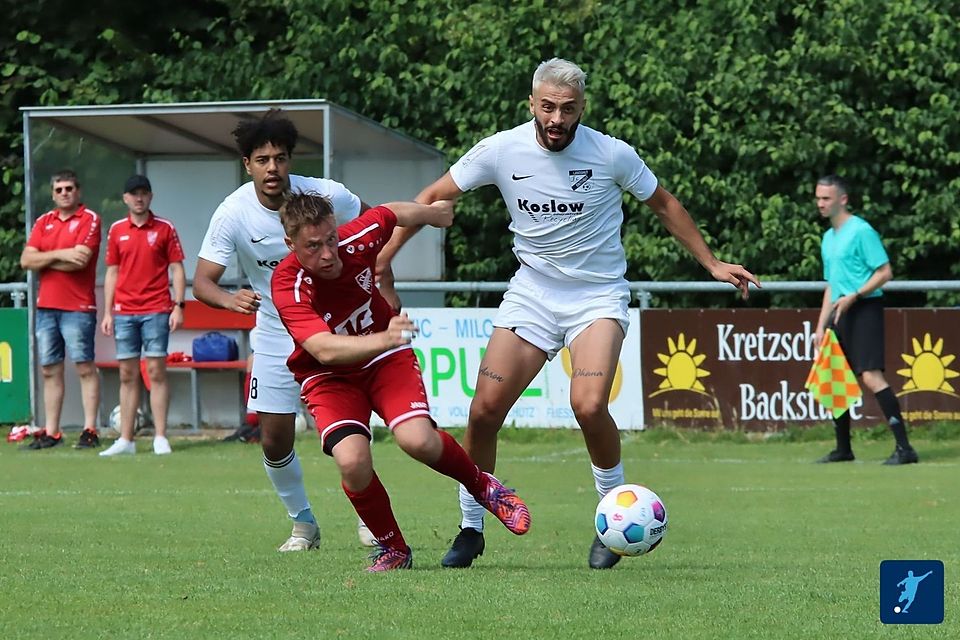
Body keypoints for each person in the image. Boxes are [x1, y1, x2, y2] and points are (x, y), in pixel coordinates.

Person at [379, 58, 758, 569]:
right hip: (532, 295)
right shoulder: (499, 150)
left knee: (587, 403)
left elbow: (664, 203)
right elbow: (430, 197)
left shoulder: (610, 153)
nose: (557, 119)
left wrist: (711, 262)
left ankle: (612, 517)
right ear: (532, 104)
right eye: (548, 107)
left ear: (583, 108)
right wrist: (383, 260)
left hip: (597, 296)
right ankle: (471, 527)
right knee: (483, 412)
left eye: (568, 109)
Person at [272, 192, 531, 572]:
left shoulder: (353, 239)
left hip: (385, 361)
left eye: (330, 239)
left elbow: (389, 213)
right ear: (290, 244)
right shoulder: (288, 284)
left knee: (418, 440)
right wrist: (385, 336)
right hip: (329, 376)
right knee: (352, 460)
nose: (328, 253)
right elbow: (324, 349)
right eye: (313, 246)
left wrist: (432, 213)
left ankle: (486, 488)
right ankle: (394, 549)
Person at [194, 109, 378, 550]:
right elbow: (202, 281)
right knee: (274, 438)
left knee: (346, 432)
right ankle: (304, 524)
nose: (272, 167)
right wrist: (228, 298)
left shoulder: (324, 196)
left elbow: (375, 224)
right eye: (262, 159)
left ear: (290, 160)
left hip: (334, 331)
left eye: (279, 157)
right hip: (277, 332)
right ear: (248, 164)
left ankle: (370, 518)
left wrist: (374, 277)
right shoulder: (233, 213)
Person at [813, 175, 918, 465]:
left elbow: (885, 272)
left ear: (842, 199)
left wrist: (855, 295)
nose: (820, 203)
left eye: (826, 198)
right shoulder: (828, 237)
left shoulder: (861, 231)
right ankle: (843, 449)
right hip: (839, 311)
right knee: (836, 377)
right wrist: (821, 325)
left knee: (871, 377)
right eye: (818, 198)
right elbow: (831, 285)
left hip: (863, 308)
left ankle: (905, 449)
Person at [99, 175, 186, 456]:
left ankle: (161, 436)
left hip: (157, 310)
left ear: (150, 196)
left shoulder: (165, 228)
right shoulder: (116, 230)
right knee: (127, 374)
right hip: (124, 312)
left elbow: (177, 268)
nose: (138, 198)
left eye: (143, 193)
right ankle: (126, 440)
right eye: (133, 194)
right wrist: (108, 312)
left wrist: (179, 305)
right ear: (125, 198)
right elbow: (112, 271)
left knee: (156, 371)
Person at [19, 170, 102, 450]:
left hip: (78, 306)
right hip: (47, 307)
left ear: (78, 192)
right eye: (59, 189)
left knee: (83, 366)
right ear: (53, 194)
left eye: (69, 188)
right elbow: (26, 260)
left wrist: (44, 259)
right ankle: (51, 432)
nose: (64, 193)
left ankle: (90, 429)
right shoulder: (44, 221)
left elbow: (80, 261)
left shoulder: (89, 218)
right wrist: (60, 254)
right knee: (49, 369)